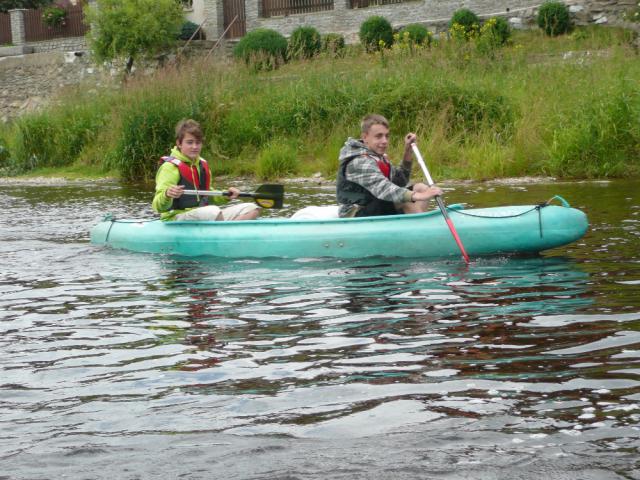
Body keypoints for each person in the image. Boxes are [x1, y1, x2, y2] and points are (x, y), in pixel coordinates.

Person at [336, 114, 443, 218]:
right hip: (354, 213)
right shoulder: (359, 162)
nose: (384, 141)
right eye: (379, 136)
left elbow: (400, 182)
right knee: (407, 200)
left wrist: (408, 151)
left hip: (375, 205)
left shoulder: (378, 157)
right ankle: (419, 225)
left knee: (421, 188)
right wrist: (417, 196)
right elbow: (384, 189)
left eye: (386, 136)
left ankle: (416, 218)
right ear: (365, 137)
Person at [152, 119, 260, 221]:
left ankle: (226, 235)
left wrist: (226, 195)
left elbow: (207, 195)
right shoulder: (169, 167)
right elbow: (157, 206)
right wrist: (167, 194)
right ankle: (225, 233)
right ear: (179, 143)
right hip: (176, 217)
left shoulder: (201, 165)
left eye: (198, 143)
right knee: (213, 211)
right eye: (189, 142)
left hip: (203, 215)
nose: (194, 146)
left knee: (252, 208)